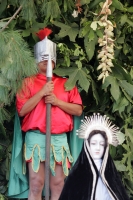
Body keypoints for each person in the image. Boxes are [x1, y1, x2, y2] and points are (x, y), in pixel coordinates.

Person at [8, 28, 83, 200]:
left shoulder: (66, 82)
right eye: (43, 57)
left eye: (49, 57)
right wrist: (41, 93)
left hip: (59, 138)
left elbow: (78, 110)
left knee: (58, 184)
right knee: (36, 184)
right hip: (36, 137)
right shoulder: (27, 83)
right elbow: (22, 111)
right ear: (36, 60)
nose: (46, 61)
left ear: (55, 60)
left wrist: (57, 102)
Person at [59, 113, 130, 200]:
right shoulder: (78, 173)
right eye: (93, 143)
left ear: (106, 147)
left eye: (102, 144)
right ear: (87, 145)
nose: (98, 148)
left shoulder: (110, 172)